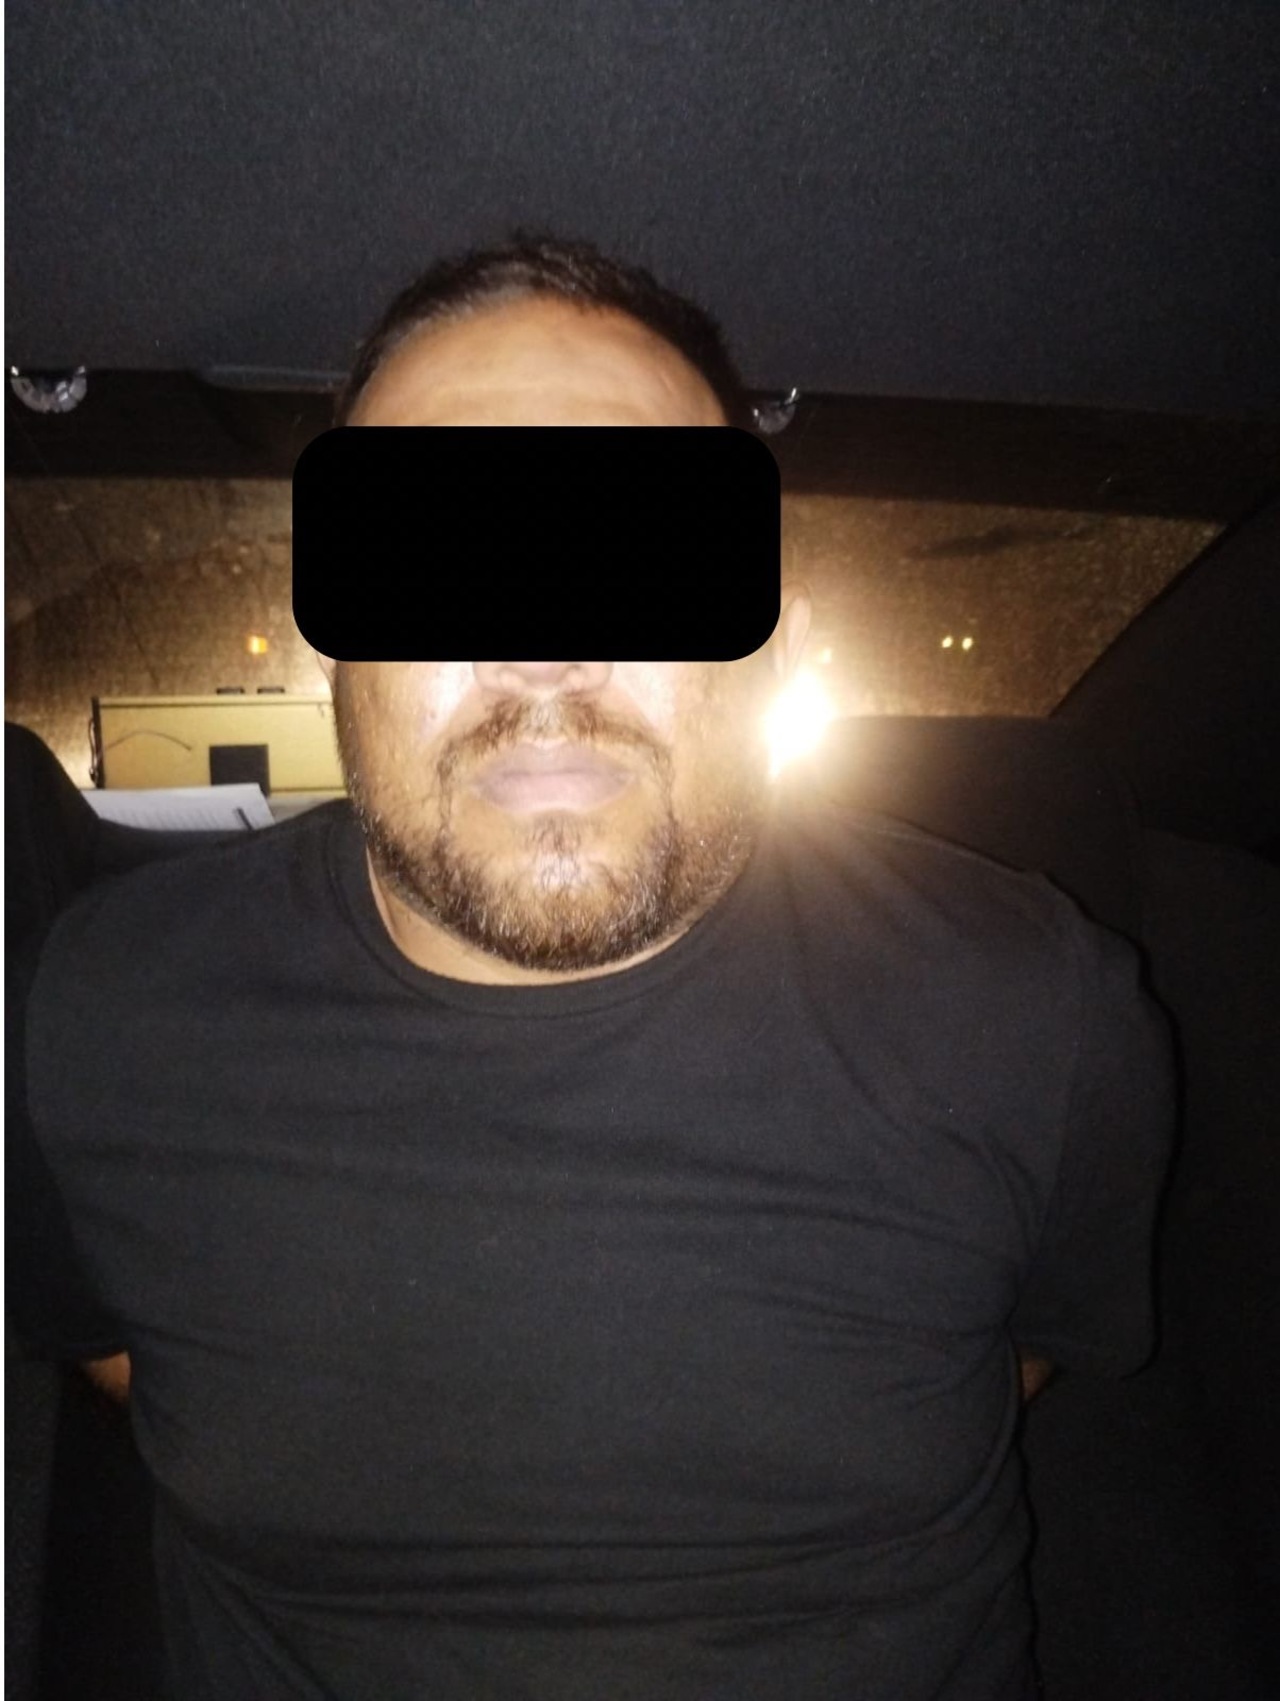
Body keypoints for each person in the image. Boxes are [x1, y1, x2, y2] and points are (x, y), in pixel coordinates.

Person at [23, 231, 1174, 1701]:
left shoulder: (1034, 1011)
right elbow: (108, 1349)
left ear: (770, 646)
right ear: (336, 657)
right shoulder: (94, 1019)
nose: (545, 650)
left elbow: (1027, 1354)